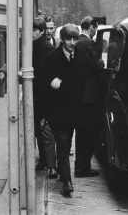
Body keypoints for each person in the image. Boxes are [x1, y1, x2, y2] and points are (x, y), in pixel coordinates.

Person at [0, 18, 58, 178]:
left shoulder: (47, 49)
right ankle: (46, 161)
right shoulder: (29, 47)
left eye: (34, 30)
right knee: (39, 129)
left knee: (44, 130)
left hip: (44, 96)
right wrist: (4, 71)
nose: (31, 33)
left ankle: (51, 165)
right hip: (35, 95)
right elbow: (15, 59)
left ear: (42, 31)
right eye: (29, 30)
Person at [42, 23, 80, 196]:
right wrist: (52, 83)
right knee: (63, 146)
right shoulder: (51, 58)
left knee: (66, 144)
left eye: (75, 39)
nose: (72, 42)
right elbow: (42, 83)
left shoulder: (80, 56)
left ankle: (63, 173)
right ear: (63, 40)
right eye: (69, 39)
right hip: (57, 112)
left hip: (73, 112)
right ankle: (67, 182)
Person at [73, 16, 103, 177]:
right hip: (90, 97)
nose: (95, 32)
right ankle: (83, 168)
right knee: (91, 134)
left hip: (79, 96)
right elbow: (96, 67)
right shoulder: (89, 44)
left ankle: (80, 167)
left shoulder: (76, 43)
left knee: (81, 134)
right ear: (90, 27)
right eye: (95, 28)